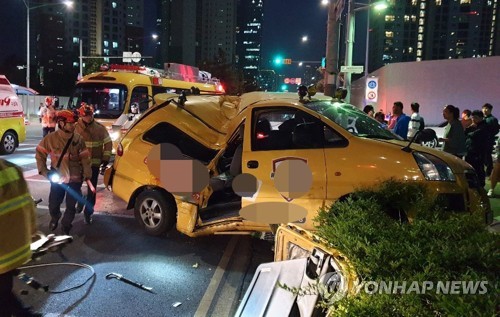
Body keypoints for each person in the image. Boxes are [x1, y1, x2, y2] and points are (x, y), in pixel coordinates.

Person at [36, 110, 92, 235]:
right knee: (53, 204)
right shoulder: (50, 139)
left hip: (75, 179)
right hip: (58, 178)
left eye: (74, 123)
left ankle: (66, 226)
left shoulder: (78, 139)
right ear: (61, 123)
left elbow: (85, 158)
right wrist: (45, 172)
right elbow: (40, 154)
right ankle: (55, 217)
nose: (74, 126)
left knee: (71, 206)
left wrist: (87, 174)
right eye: (70, 123)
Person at [0, 159, 40, 317]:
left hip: (2, 253)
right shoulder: (11, 168)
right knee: (3, 293)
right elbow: (28, 205)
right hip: (17, 247)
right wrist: (32, 232)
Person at [75, 102, 112, 224]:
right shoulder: (75, 128)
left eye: (90, 115)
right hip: (78, 165)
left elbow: (108, 143)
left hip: (94, 166)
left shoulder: (100, 129)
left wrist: (105, 159)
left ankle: (88, 213)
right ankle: (80, 201)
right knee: (75, 187)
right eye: (86, 115)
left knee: (92, 191)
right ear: (81, 116)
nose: (88, 118)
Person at [464, 110, 489, 187]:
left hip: (478, 153)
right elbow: (465, 134)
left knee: (478, 170)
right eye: (473, 117)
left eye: (476, 117)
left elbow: (474, 135)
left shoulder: (484, 126)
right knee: (470, 169)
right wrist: (469, 128)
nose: (474, 119)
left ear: (481, 118)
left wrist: (469, 130)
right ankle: (472, 184)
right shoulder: (474, 126)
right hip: (470, 152)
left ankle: (480, 186)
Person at [482, 103, 499, 176]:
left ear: (490, 110)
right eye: (484, 108)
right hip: (481, 141)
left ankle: (489, 172)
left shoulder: (493, 119)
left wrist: (489, 134)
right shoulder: (482, 118)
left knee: (487, 156)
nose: (485, 110)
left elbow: (496, 130)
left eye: (487, 109)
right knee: (483, 156)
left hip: (488, 141)